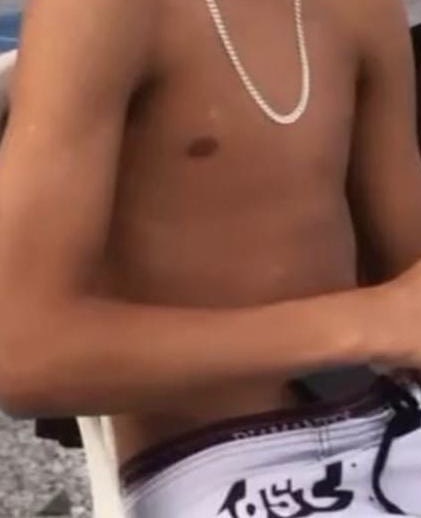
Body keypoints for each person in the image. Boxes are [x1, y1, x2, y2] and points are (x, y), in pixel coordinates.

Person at [2, 0, 421, 516]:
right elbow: (23, 356)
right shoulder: (99, 13)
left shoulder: (365, 10)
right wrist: (360, 326)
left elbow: (407, 282)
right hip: (224, 460)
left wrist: (380, 324)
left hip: (390, 421)